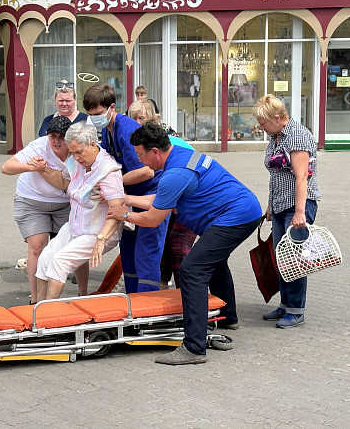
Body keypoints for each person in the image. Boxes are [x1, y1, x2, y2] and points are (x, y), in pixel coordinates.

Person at [107, 124, 262, 365]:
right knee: (213, 262)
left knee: (192, 270)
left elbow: (152, 218)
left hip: (235, 217)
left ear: (155, 151)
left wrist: (123, 215)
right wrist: (125, 200)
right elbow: (161, 200)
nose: (140, 161)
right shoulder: (179, 153)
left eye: (141, 156)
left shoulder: (174, 174)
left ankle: (194, 347)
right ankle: (227, 317)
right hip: (242, 210)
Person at [83, 83, 168, 293]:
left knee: (146, 255)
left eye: (98, 113)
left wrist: (112, 184)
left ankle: (147, 312)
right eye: (91, 114)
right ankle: (132, 301)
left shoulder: (126, 130)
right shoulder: (108, 130)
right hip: (132, 199)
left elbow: (146, 171)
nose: (95, 118)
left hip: (150, 198)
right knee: (129, 254)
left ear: (112, 107)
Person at [1, 115, 90, 303]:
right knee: (37, 246)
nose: (56, 141)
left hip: (65, 203)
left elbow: (69, 183)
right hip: (32, 201)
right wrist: (30, 166)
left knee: (77, 245)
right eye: (53, 136)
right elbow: (6, 168)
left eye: (61, 137)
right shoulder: (39, 146)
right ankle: (35, 300)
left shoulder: (77, 150)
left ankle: (83, 294)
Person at [33, 121, 125, 301]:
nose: (75, 157)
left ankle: (49, 317)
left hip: (98, 230)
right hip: (77, 225)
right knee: (45, 259)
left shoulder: (108, 170)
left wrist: (101, 239)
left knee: (60, 262)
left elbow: (118, 208)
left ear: (92, 144)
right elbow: (65, 182)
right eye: (72, 152)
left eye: (79, 152)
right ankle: (37, 308)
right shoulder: (75, 162)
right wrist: (41, 169)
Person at [253, 94, 321, 329]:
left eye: (264, 123)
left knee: (295, 258)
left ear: (279, 117)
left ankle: (296, 309)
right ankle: (285, 304)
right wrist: (271, 206)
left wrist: (300, 212)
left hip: (298, 205)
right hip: (281, 204)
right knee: (281, 258)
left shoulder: (298, 135)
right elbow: (275, 175)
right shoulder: (276, 136)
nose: (261, 127)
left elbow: (302, 176)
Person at [126, 101, 197, 290]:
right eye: (132, 118)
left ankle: (184, 295)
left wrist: (122, 207)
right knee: (163, 248)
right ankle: (163, 288)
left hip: (182, 197)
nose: (136, 122)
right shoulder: (140, 141)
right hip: (169, 195)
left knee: (178, 247)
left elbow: (151, 177)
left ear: (152, 117)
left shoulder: (162, 139)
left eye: (140, 118)